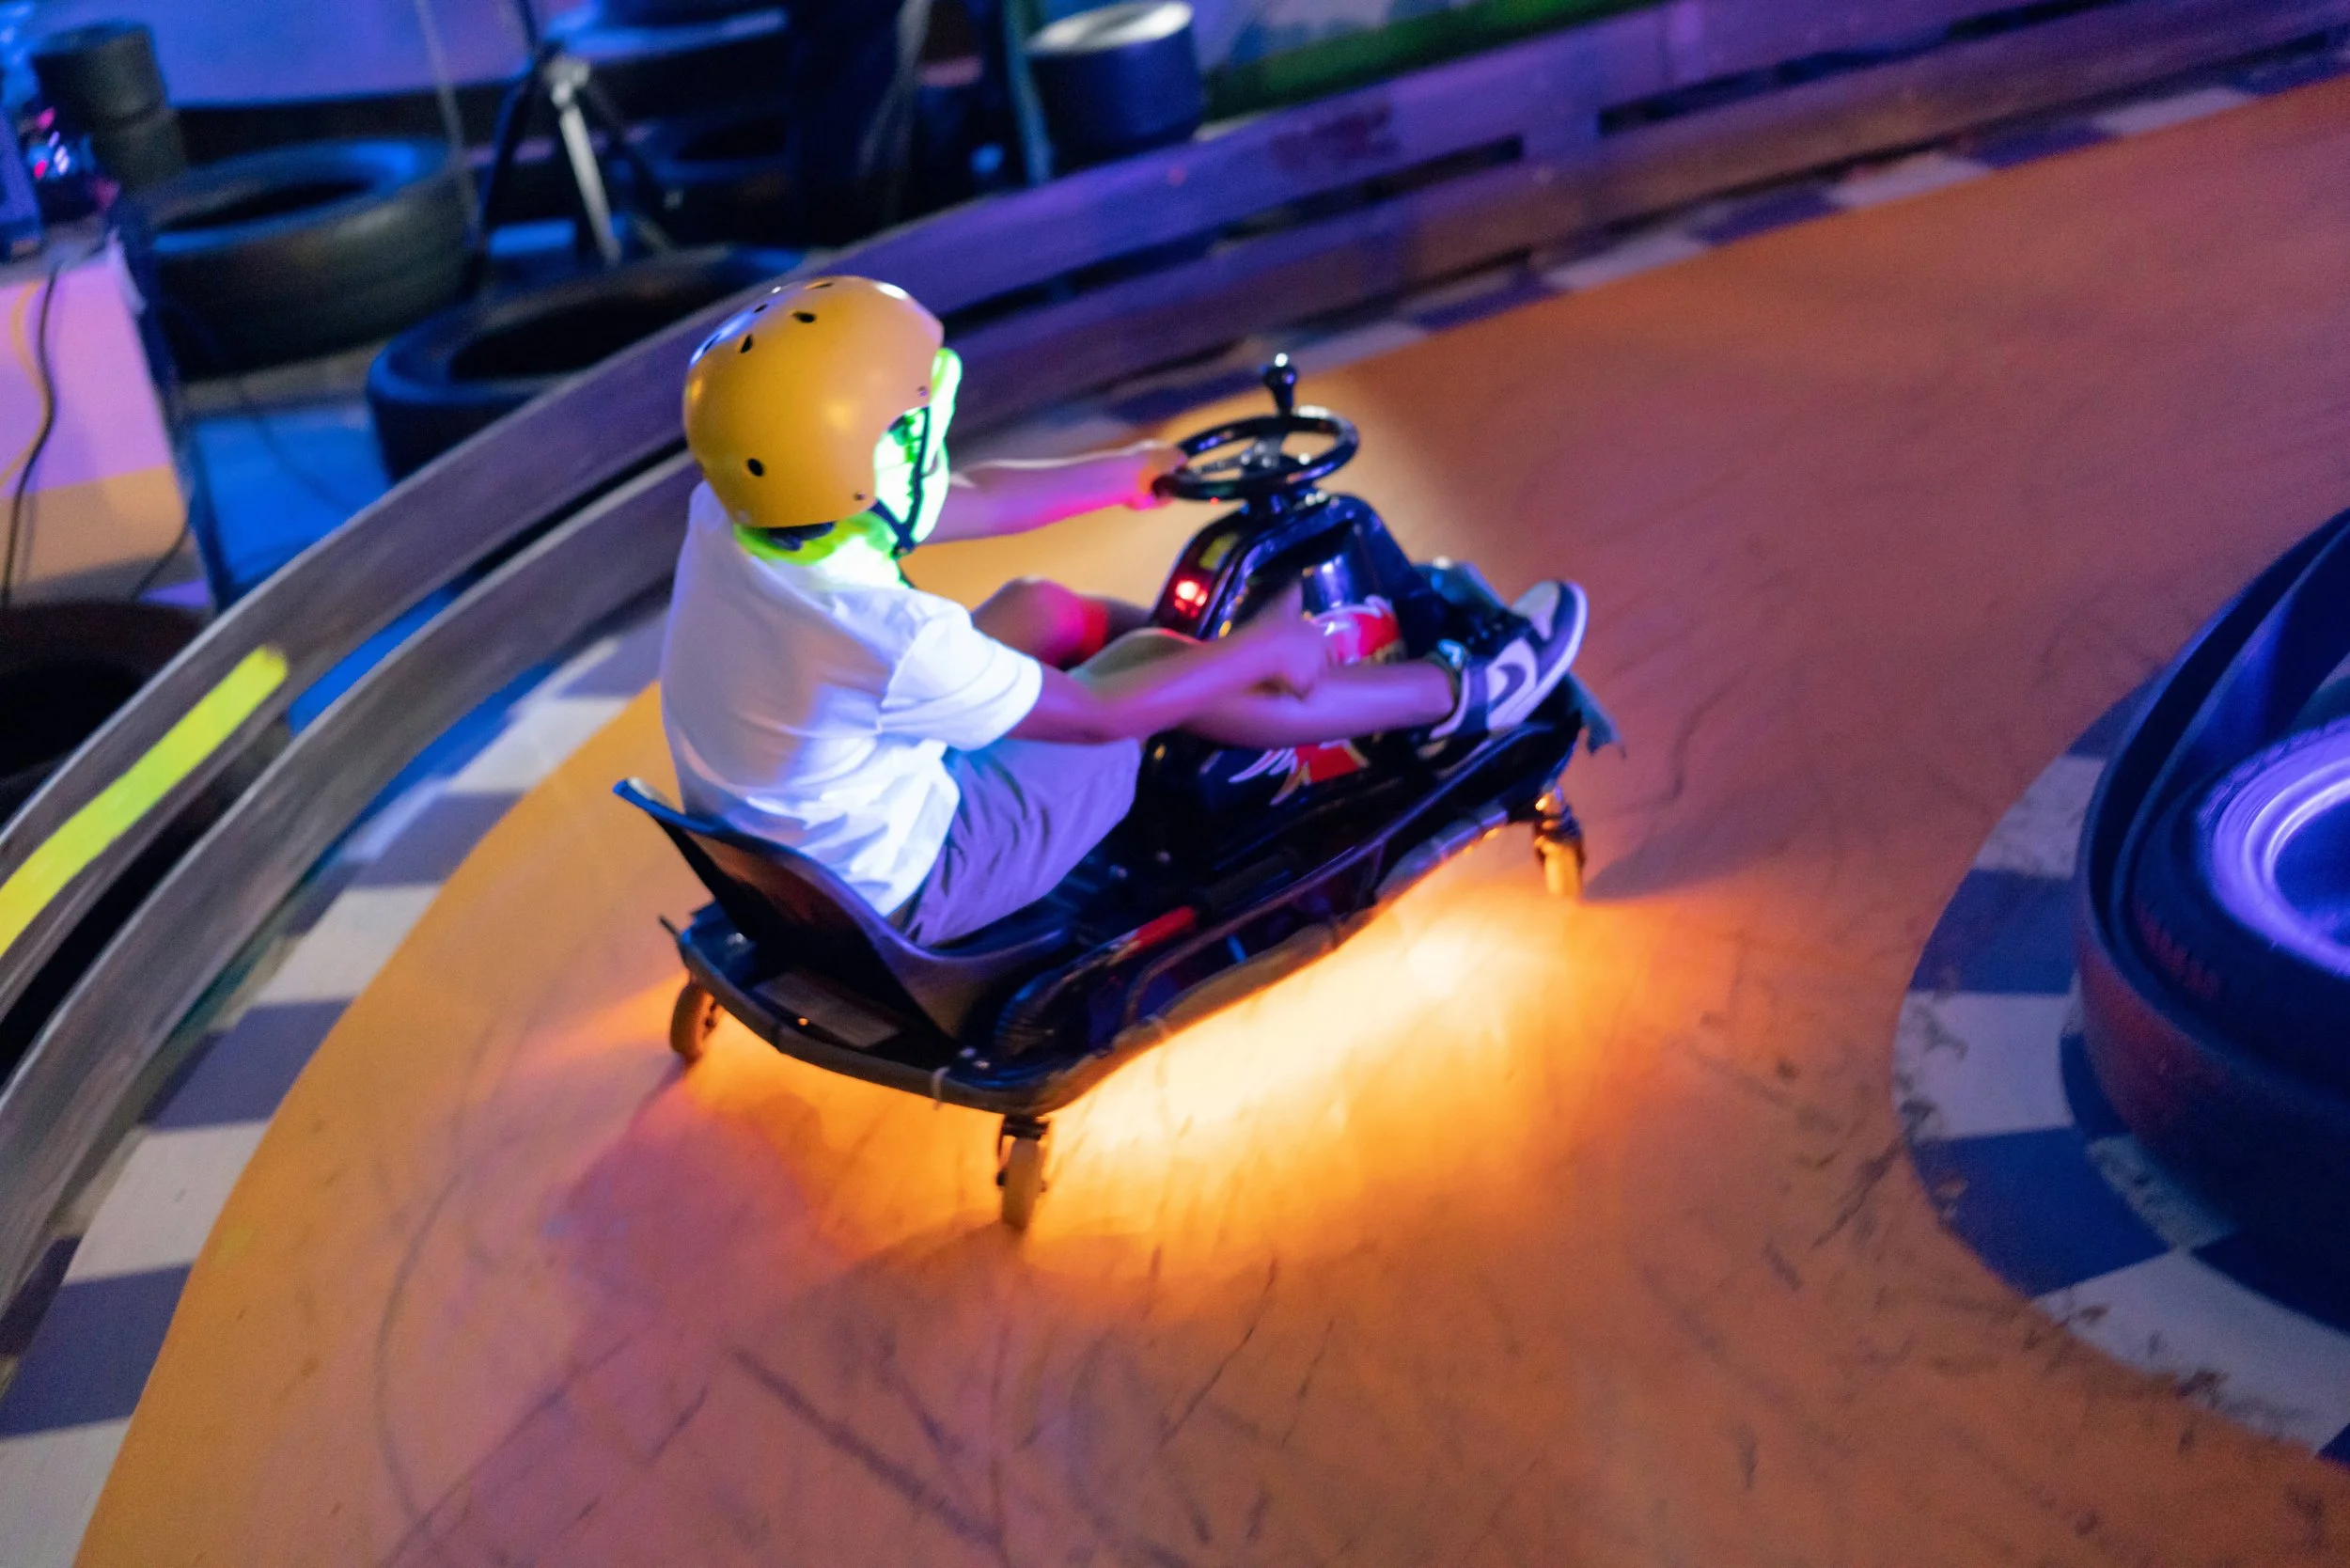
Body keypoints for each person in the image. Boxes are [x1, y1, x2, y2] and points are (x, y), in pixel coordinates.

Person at [658, 274, 1587, 947]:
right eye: (913, 430)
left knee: (1046, 611)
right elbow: (1100, 715)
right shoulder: (886, 635)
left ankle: (1241, 685)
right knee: (1152, 670)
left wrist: (1126, 476)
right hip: (918, 882)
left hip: (816, 839)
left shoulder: (748, 514)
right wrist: (1258, 647)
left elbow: (971, 498)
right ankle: (1457, 694)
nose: (931, 439)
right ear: (863, 461)